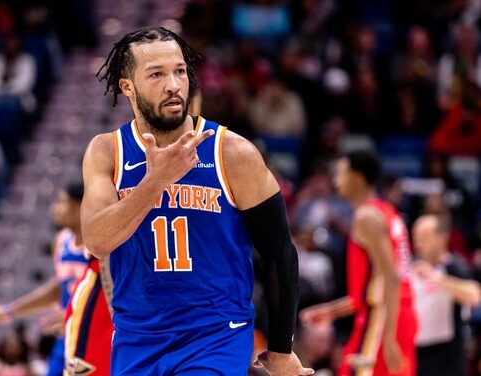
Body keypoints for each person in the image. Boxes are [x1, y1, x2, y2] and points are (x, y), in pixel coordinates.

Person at [81, 26, 312, 375]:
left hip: (215, 336)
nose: (173, 84)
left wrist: (281, 349)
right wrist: (156, 180)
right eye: (157, 74)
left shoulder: (232, 153)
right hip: (137, 338)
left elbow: (279, 251)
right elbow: (97, 240)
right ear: (127, 86)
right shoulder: (107, 152)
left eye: (179, 71)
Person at [301, 151, 417, 376]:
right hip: (394, 312)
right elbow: (374, 288)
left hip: (383, 321)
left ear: (357, 178)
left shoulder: (367, 217)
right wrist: (330, 311)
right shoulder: (386, 212)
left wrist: (390, 337)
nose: (336, 180)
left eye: (341, 173)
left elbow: (392, 278)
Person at [0, 183, 89, 376]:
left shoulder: (97, 244)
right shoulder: (61, 240)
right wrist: (9, 311)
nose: (55, 208)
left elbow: (107, 292)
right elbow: (59, 287)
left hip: (90, 334)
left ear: (80, 206)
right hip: (65, 336)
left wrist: (76, 313)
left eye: (62, 202)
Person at [411, 214, 481, 376]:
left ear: (441, 238)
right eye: (416, 236)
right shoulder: (411, 266)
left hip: (446, 356)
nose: (418, 241)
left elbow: (474, 294)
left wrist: (437, 279)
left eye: (424, 236)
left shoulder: (454, 265)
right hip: (415, 353)